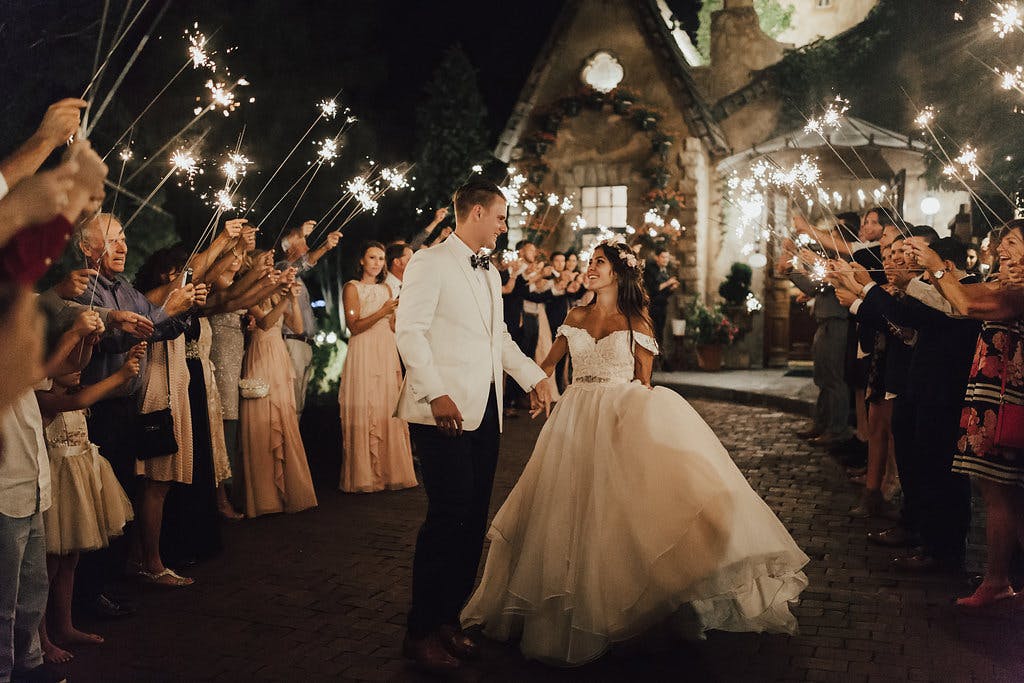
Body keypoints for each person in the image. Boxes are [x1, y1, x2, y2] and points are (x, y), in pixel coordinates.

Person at [461, 237, 808, 666]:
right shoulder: (575, 314)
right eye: (590, 261)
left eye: (599, 262)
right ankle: (562, 608)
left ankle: (621, 606)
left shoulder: (637, 321)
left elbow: (644, 382)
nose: (591, 267)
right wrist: (531, 384)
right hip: (573, 418)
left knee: (616, 513)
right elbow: (545, 366)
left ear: (619, 273)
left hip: (618, 419)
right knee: (566, 508)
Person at [395, 179, 550, 673]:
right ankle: (419, 631)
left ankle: (448, 620)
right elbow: (410, 331)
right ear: (477, 212)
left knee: (471, 520)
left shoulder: (487, 270)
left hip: (485, 413)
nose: (505, 226)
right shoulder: (429, 261)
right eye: (501, 217)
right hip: (444, 411)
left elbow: (497, 336)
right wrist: (435, 392)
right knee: (447, 516)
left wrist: (533, 377)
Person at [35, 343, 141, 664]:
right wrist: (120, 375)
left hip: (80, 479)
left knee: (71, 560)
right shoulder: (46, 400)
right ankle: (40, 638)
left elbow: (89, 395)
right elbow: (80, 400)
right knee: (49, 565)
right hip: (57, 484)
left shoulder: (74, 390)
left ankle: (64, 625)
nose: (79, 365)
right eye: (69, 360)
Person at [239, 256, 318, 518]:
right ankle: (265, 497)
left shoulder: (276, 297)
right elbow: (266, 322)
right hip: (261, 354)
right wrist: (282, 297)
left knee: (284, 417)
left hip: (279, 354)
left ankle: (287, 491)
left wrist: (292, 298)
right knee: (263, 419)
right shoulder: (253, 297)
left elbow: (295, 326)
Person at [338, 242, 416, 492]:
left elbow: (392, 325)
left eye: (381, 258)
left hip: (384, 350)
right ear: (361, 260)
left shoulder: (386, 289)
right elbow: (354, 325)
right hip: (363, 350)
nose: (377, 263)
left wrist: (400, 312)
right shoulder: (352, 287)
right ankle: (364, 475)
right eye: (372, 257)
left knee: (385, 405)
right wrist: (383, 310)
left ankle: (388, 470)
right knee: (367, 405)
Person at [276, 221, 342, 416]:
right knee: (291, 404)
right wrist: (325, 247)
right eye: (301, 242)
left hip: (304, 343)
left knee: (299, 405)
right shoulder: (282, 269)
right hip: (292, 342)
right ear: (288, 247)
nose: (306, 247)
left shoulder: (298, 279)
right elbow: (303, 263)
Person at [643, 246, 679, 348]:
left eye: (667, 257)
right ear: (656, 257)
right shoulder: (650, 269)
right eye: (663, 257)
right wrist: (668, 282)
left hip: (662, 306)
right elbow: (653, 289)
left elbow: (664, 292)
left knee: (660, 333)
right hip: (653, 307)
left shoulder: (665, 270)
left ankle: (660, 358)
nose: (666, 260)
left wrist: (672, 288)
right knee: (653, 333)